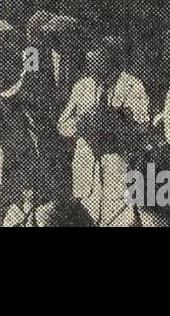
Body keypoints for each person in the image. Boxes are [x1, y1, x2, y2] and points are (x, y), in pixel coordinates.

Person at [57, 36, 149, 226]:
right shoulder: (82, 87)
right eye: (90, 62)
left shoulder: (133, 86)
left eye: (97, 62)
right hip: (85, 173)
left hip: (117, 171)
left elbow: (143, 129)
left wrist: (119, 123)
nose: (92, 68)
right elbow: (62, 125)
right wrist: (82, 125)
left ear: (111, 60)